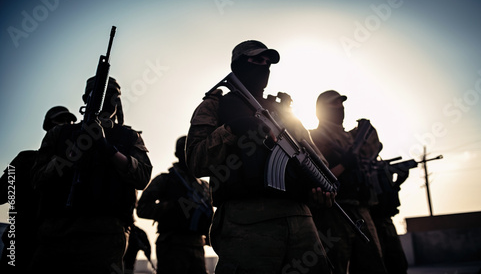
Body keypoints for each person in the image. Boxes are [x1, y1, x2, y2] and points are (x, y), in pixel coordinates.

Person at [186, 40, 335, 273]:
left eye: (268, 62)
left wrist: (321, 190)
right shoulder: (216, 106)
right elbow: (196, 162)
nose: (264, 66)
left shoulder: (284, 112)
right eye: (256, 60)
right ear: (238, 65)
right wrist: (232, 129)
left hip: (300, 219)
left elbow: (316, 159)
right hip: (246, 220)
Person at [29, 77, 153, 273]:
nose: (105, 102)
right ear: (86, 99)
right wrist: (67, 157)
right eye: (98, 96)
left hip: (106, 235)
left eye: (111, 97)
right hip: (57, 232)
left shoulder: (129, 137)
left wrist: (108, 149)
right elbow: (37, 179)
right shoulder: (60, 134)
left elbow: (142, 177)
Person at [310, 90, 387, 274]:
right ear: (321, 110)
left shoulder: (351, 136)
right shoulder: (316, 136)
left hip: (360, 208)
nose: (340, 108)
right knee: (336, 265)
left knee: (374, 265)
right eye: (334, 104)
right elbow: (314, 176)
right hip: (335, 209)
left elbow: (372, 151)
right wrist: (344, 164)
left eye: (341, 104)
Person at [0, 106, 77, 274]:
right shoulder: (25, 159)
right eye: (60, 120)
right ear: (48, 126)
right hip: (21, 241)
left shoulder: (77, 167)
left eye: (70, 121)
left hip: (59, 246)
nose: (67, 124)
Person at [137, 135, 213, 274]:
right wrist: (170, 207)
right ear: (177, 154)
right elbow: (142, 209)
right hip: (172, 245)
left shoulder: (204, 186)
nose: (187, 156)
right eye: (184, 151)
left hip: (197, 245)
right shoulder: (165, 180)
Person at [371, 159, 411, 274]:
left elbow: (388, 195)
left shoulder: (379, 168)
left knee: (398, 262)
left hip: (386, 221)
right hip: (371, 221)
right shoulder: (365, 168)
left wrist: (398, 181)